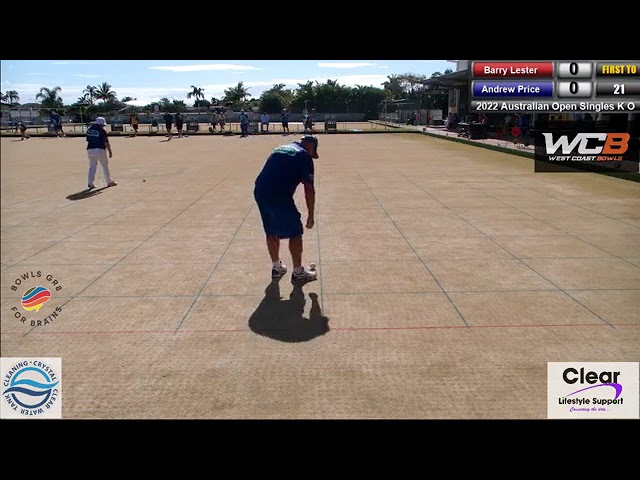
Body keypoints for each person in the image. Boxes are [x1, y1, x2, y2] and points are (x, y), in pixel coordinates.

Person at [253, 135, 319, 285]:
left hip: (260, 191)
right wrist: (311, 216)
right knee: (295, 232)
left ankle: (277, 267)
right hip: (279, 194)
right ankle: (298, 273)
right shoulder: (304, 156)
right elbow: (309, 188)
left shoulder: (280, 148)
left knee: (271, 230)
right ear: (311, 147)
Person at [86, 117, 117, 190]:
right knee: (105, 166)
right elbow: (106, 142)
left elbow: (87, 140)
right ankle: (109, 181)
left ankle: (90, 183)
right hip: (100, 149)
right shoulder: (102, 131)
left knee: (92, 167)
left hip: (90, 149)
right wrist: (110, 151)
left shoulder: (89, 130)